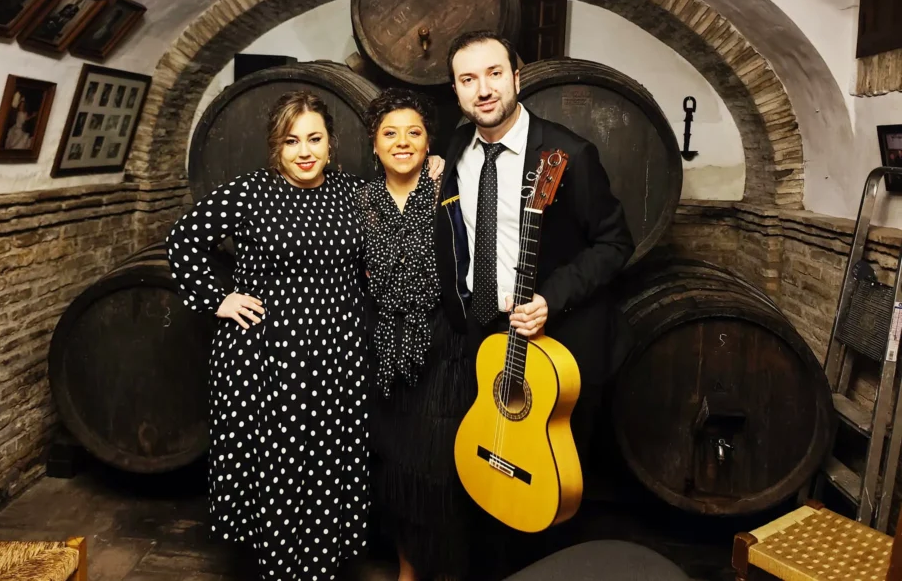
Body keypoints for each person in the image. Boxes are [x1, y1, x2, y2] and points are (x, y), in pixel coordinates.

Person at [433, 30, 635, 577]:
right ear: (455, 91)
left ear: (517, 77)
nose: (483, 89)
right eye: (468, 79)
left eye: (494, 73)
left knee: (551, 491)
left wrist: (553, 297)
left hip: (558, 347)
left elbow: (616, 243)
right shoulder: (455, 151)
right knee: (486, 475)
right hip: (483, 335)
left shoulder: (568, 154)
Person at [165, 91, 371, 581]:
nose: (304, 151)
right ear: (275, 148)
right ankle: (282, 568)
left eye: (314, 139)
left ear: (331, 143)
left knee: (328, 461)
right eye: (291, 141)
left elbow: (399, 213)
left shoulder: (351, 192)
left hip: (335, 354)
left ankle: (321, 565)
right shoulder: (251, 192)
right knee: (281, 465)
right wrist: (219, 299)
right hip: (266, 357)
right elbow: (183, 240)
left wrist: (433, 168)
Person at [354, 88, 476, 581]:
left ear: (429, 143)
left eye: (414, 133)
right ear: (374, 144)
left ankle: (443, 569)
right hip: (381, 348)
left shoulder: (454, 191)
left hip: (442, 346)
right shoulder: (356, 200)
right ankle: (407, 569)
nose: (402, 142)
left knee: (438, 472)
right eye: (390, 133)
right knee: (397, 471)